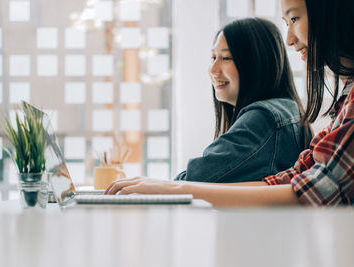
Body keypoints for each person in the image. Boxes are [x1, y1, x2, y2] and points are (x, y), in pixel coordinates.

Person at [105, 0, 354, 207]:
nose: (289, 39)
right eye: (213, 57)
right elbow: (295, 179)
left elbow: (317, 189)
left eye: (294, 20)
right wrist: (171, 187)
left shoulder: (265, 116)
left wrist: (175, 187)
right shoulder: (337, 100)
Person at [174, 17, 311, 184]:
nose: (214, 70)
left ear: (255, 62)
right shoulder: (288, 109)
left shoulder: (264, 117)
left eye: (226, 58)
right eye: (213, 57)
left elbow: (193, 179)